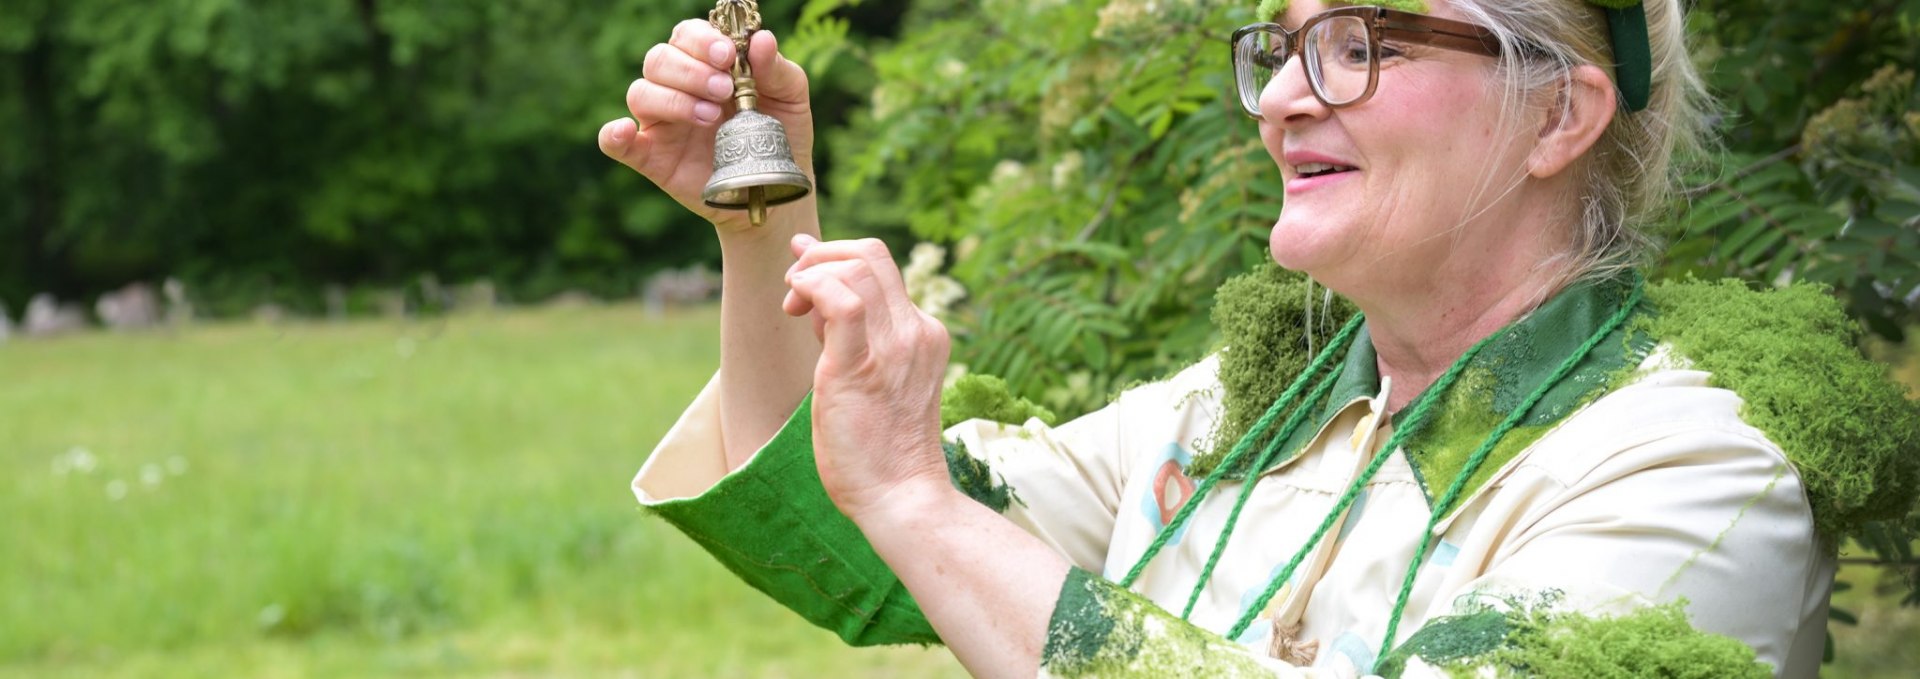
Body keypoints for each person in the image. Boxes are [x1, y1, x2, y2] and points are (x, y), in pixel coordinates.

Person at [600, 1, 1917, 676]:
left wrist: (918, 504)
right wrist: (762, 220)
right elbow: (851, 539)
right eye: (1282, 48)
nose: (1285, 98)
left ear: (1559, 118)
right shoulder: (1232, 415)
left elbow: (912, 513)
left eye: (1354, 44)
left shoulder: (1695, 471)